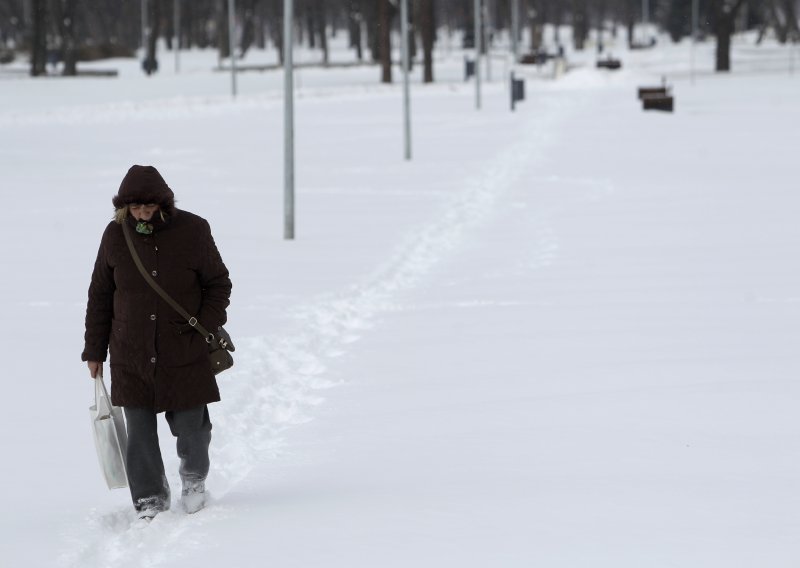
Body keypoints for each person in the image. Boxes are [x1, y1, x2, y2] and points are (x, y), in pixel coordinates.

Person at [82, 165, 232, 520]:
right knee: (140, 436)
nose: (141, 213)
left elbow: (218, 284)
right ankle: (149, 498)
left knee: (193, 429)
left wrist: (204, 326)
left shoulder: (193, 229)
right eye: (134, 208)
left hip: (184, 349)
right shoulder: (114, 234)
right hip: (129, 352)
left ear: (163, 203)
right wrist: (94, 349)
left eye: (148, 207)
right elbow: (100, 294)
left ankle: (194, 481)